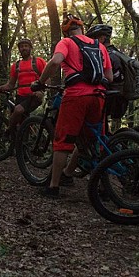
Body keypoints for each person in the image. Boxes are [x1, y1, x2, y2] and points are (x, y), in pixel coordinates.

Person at [30, 14, 113, 198]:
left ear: (65, 31)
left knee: (63, 140)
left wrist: (40, 81)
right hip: (98, 97)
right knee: (93, 140)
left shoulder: (66, 42)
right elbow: (110, 77)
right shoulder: (99, 46)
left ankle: (53, 186)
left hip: (76, 96)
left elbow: (56, 61)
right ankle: (103, 186)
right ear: (82, 29)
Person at [0, 38, 48, 135]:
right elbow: (10, 84)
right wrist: (0, 88)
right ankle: (21, 143)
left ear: (30, 48)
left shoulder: (39, 62)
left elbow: (48, 79)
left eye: (26, 46)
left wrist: (41, 91)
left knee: (18, 110)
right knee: (22, 124)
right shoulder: (16, 65)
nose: (24, 48)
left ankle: (8, 131)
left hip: (34, 96)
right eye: (21, 47)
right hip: (20, 97)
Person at [85, 23, 126, 133]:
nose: (91, 42)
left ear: (102, 38)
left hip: (109, 97)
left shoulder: (106, 55)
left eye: (94, 38)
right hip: (118, 97)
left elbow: (109, 78)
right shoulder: (116, 53)